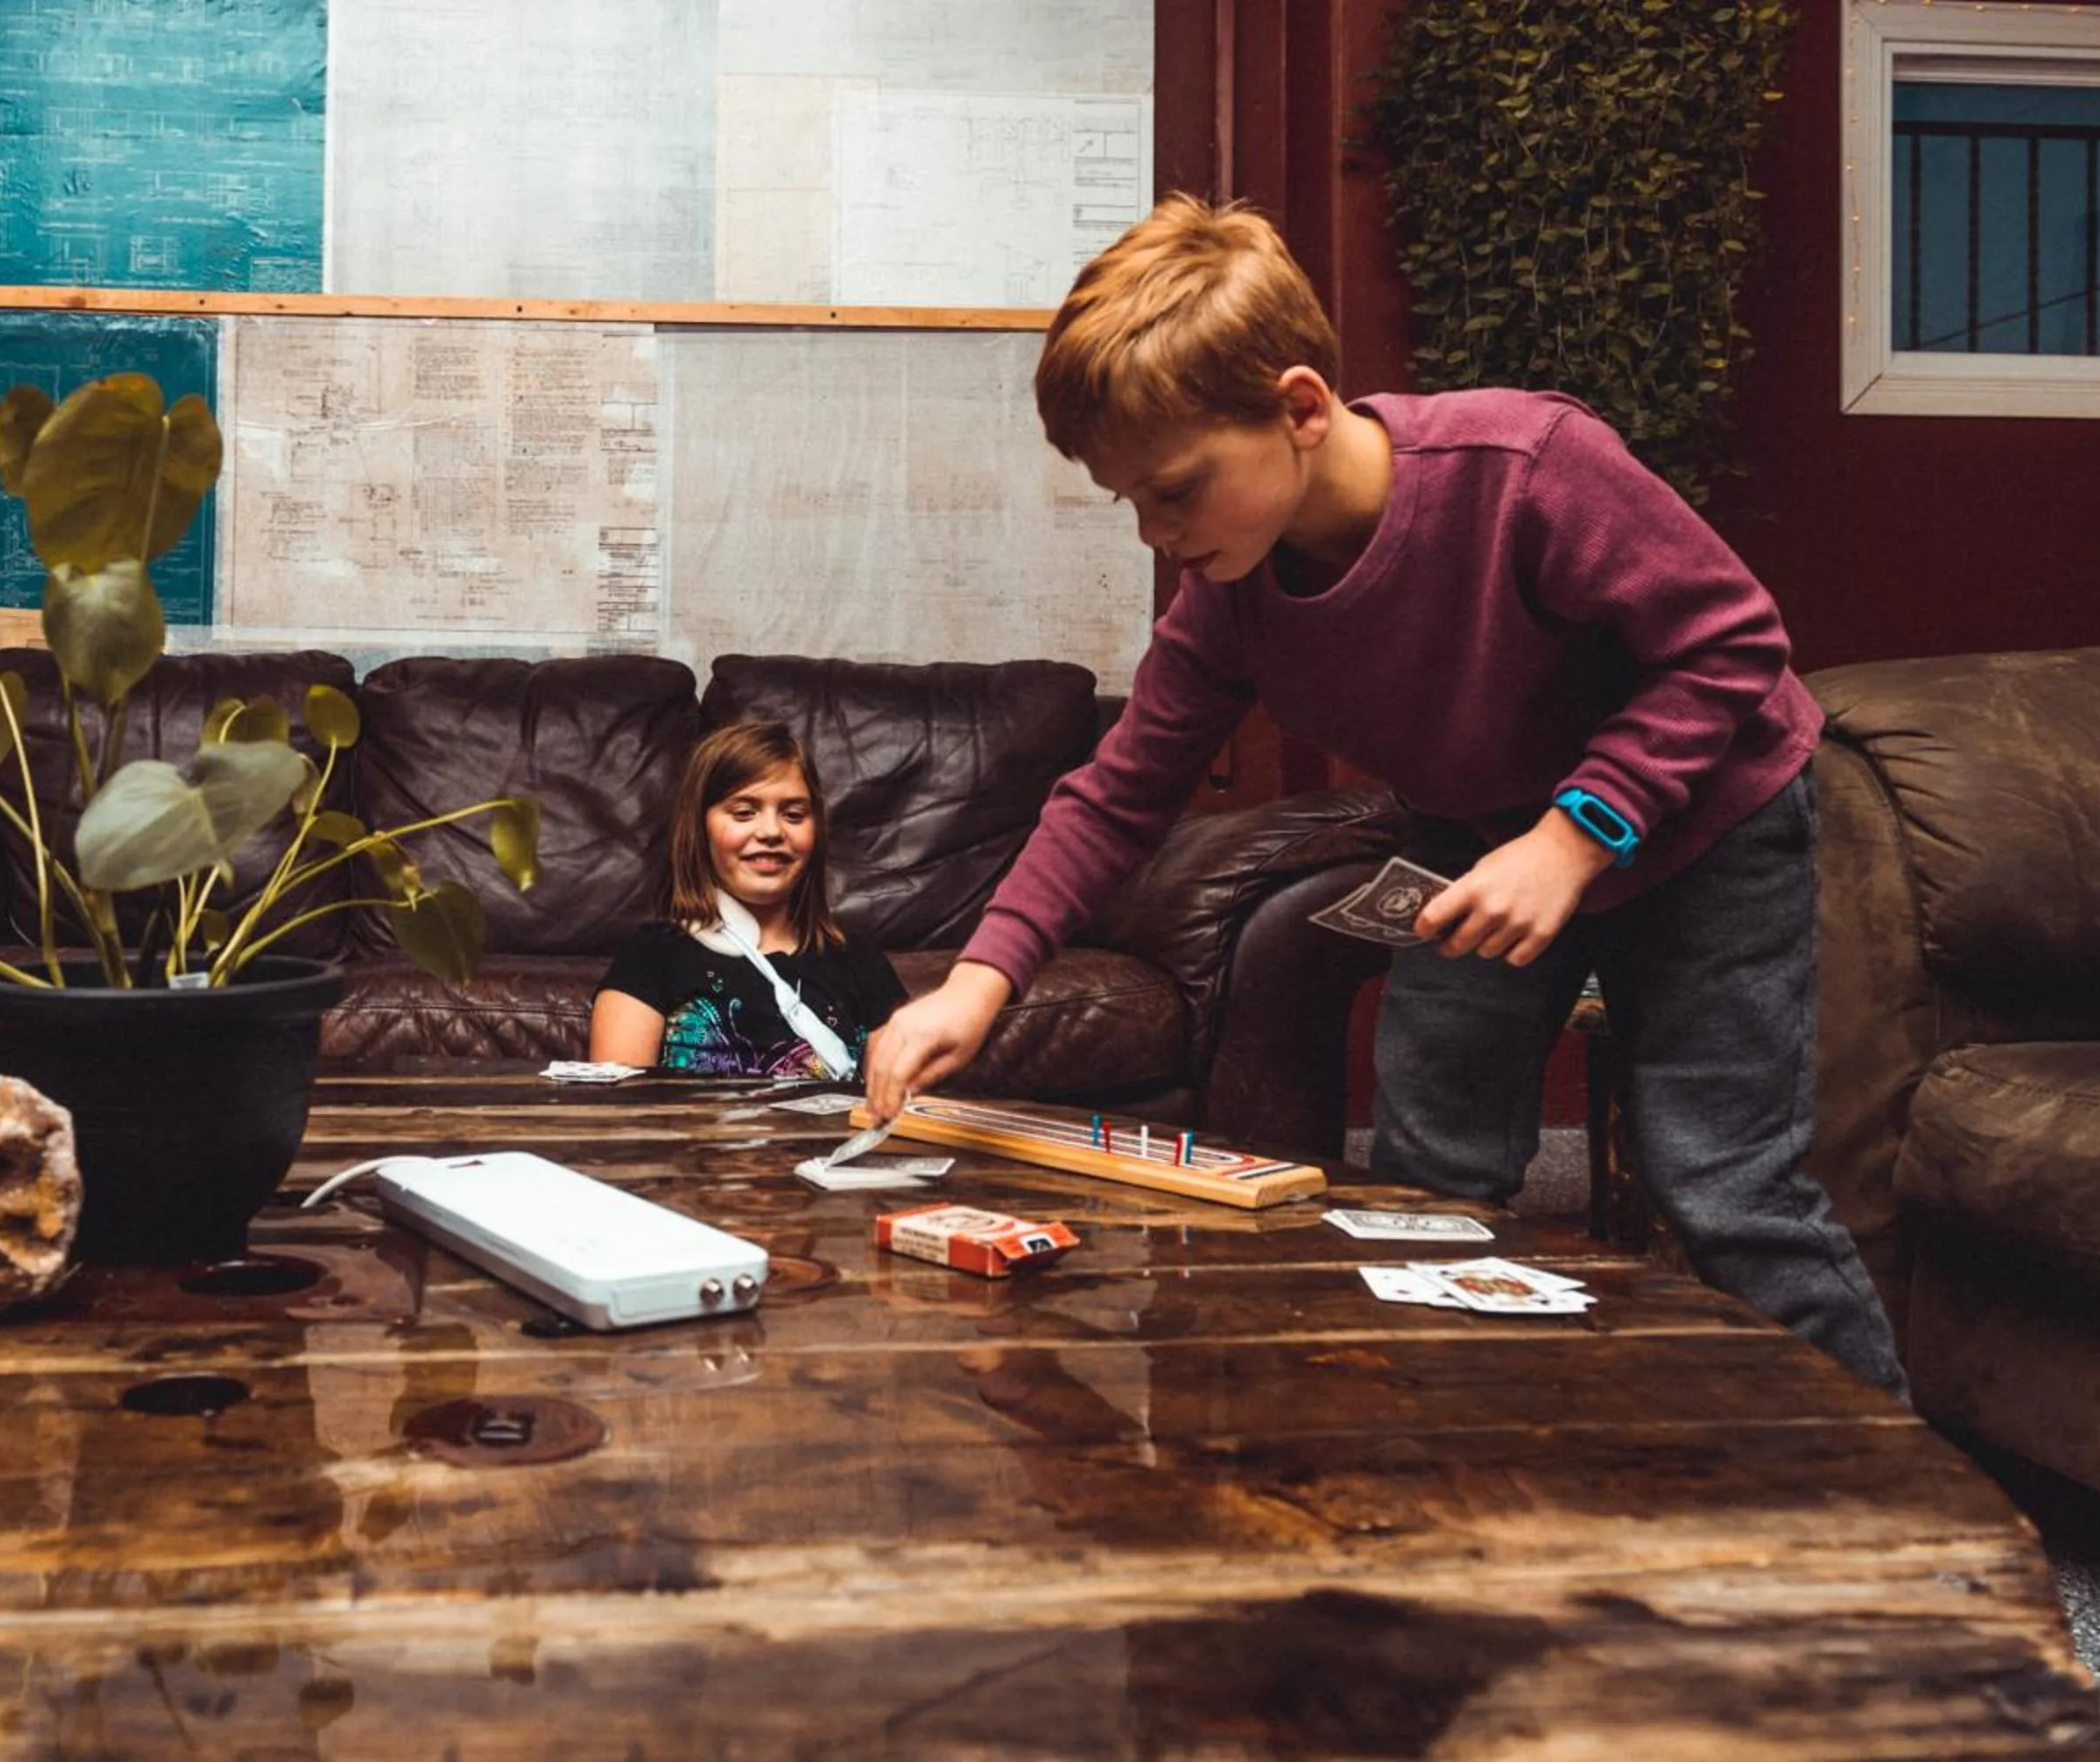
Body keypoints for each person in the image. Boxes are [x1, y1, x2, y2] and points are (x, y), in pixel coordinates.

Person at [863, 194, 1907, 1396]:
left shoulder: (1528, 469)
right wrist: (980, 982)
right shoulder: (1232, 599)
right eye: (1129, 503)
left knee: (1726, 1189)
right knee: (1422, 1181)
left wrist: (1574, 839)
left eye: (1178, 489)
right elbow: (1115, 796)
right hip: (1476, 841)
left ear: (1300, 409)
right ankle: (1432, 1466)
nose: (1157, 531)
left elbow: (1733, 646)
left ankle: (1921, 1539)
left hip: (1706, 832)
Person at [591, 721, 908, 1080]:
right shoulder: (652, 955)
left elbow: (901, 1110)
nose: (771, 832)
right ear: (700, 829)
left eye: (793, 815)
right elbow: (616, 1110)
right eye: (744, 813)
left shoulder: (861, 962)